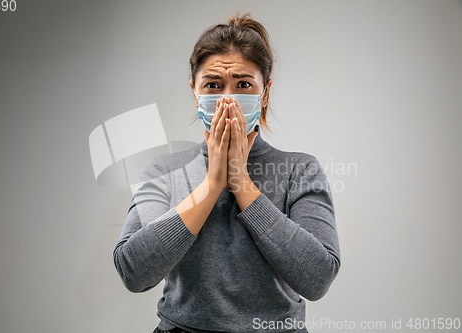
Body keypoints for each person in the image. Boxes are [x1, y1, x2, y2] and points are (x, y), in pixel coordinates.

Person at [113, 12, 341, 333]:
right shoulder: (164, 171)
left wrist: (240, 181)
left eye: (244, 85)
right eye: (213, 85)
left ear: (265, 93)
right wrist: (211, 184)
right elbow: (133, 272)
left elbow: (317, 278)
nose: (227, 99)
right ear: (194, 91)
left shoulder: (300, 170)